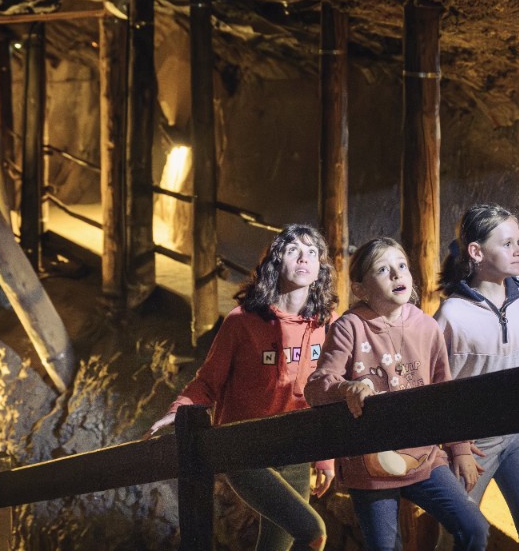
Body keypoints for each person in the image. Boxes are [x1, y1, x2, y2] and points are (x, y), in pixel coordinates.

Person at [145, 224, 335, 551]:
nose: (304, 258)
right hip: (242, 445)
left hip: (297, 446)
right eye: (294, 251)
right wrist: (177, 411)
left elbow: (324, 392)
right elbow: (208, 380)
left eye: (312, 253)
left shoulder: (323, 323)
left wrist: (326, 458)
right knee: (312, 531)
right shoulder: (243, 320)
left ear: (320, 269)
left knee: (276, 544)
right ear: (276, 263)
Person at [305, 237, 489, 551]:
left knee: (474, 528)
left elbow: (443, 393)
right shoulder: (350, 327)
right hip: (369, 466)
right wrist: (345, 387)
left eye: (401, 266)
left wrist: (459, 449)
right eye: (382, 269)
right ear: (360, 289)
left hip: (426, 458)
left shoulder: (426, 326)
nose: (396, 275)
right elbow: (316, 386)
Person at [436, 203, 519, 551]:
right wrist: (456, 448)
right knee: (461, 538)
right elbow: (436, 390)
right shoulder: (452, 315)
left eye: (518, 242)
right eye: (507, 244)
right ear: (475, 252)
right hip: (472, 445)